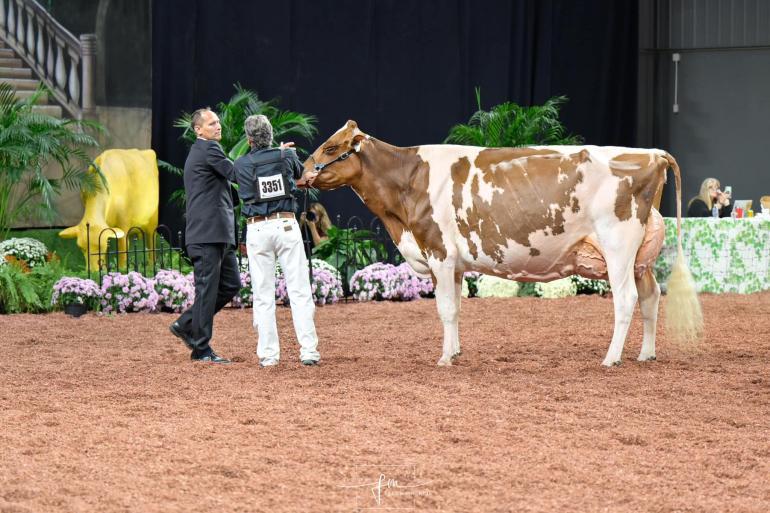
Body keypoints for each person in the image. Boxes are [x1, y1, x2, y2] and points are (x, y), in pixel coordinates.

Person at [233, 114, 320, 367]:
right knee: (299, 289)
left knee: (262, 294)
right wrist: (281, 153)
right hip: (285, 224)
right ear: (270, 135)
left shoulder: (240, 164)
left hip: (257, 230)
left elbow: (255, 182)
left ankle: (269, 355)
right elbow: (301, 177)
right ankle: (309, 351)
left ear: (249, 140)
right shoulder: (286, 156)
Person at [169, 108, 241, 364]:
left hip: (217, 234)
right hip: (208, 235)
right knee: (207, 291)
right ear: (198, 130)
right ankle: (201, 349)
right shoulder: (208, 149)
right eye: (212, 124)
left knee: (231, 285)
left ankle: (186, 324)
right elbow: (235, 174)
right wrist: (268, 159)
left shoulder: (204, 152)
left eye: (218, 122)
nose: (218, 126)